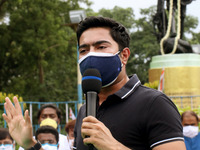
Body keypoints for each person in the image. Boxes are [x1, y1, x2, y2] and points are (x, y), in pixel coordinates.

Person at [73, 16, 186, 150]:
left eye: (101, 47)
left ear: (124, 55)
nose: (91, 55)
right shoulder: (84, 110)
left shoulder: (154, 103)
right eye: (83, 50)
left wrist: (113, 147)